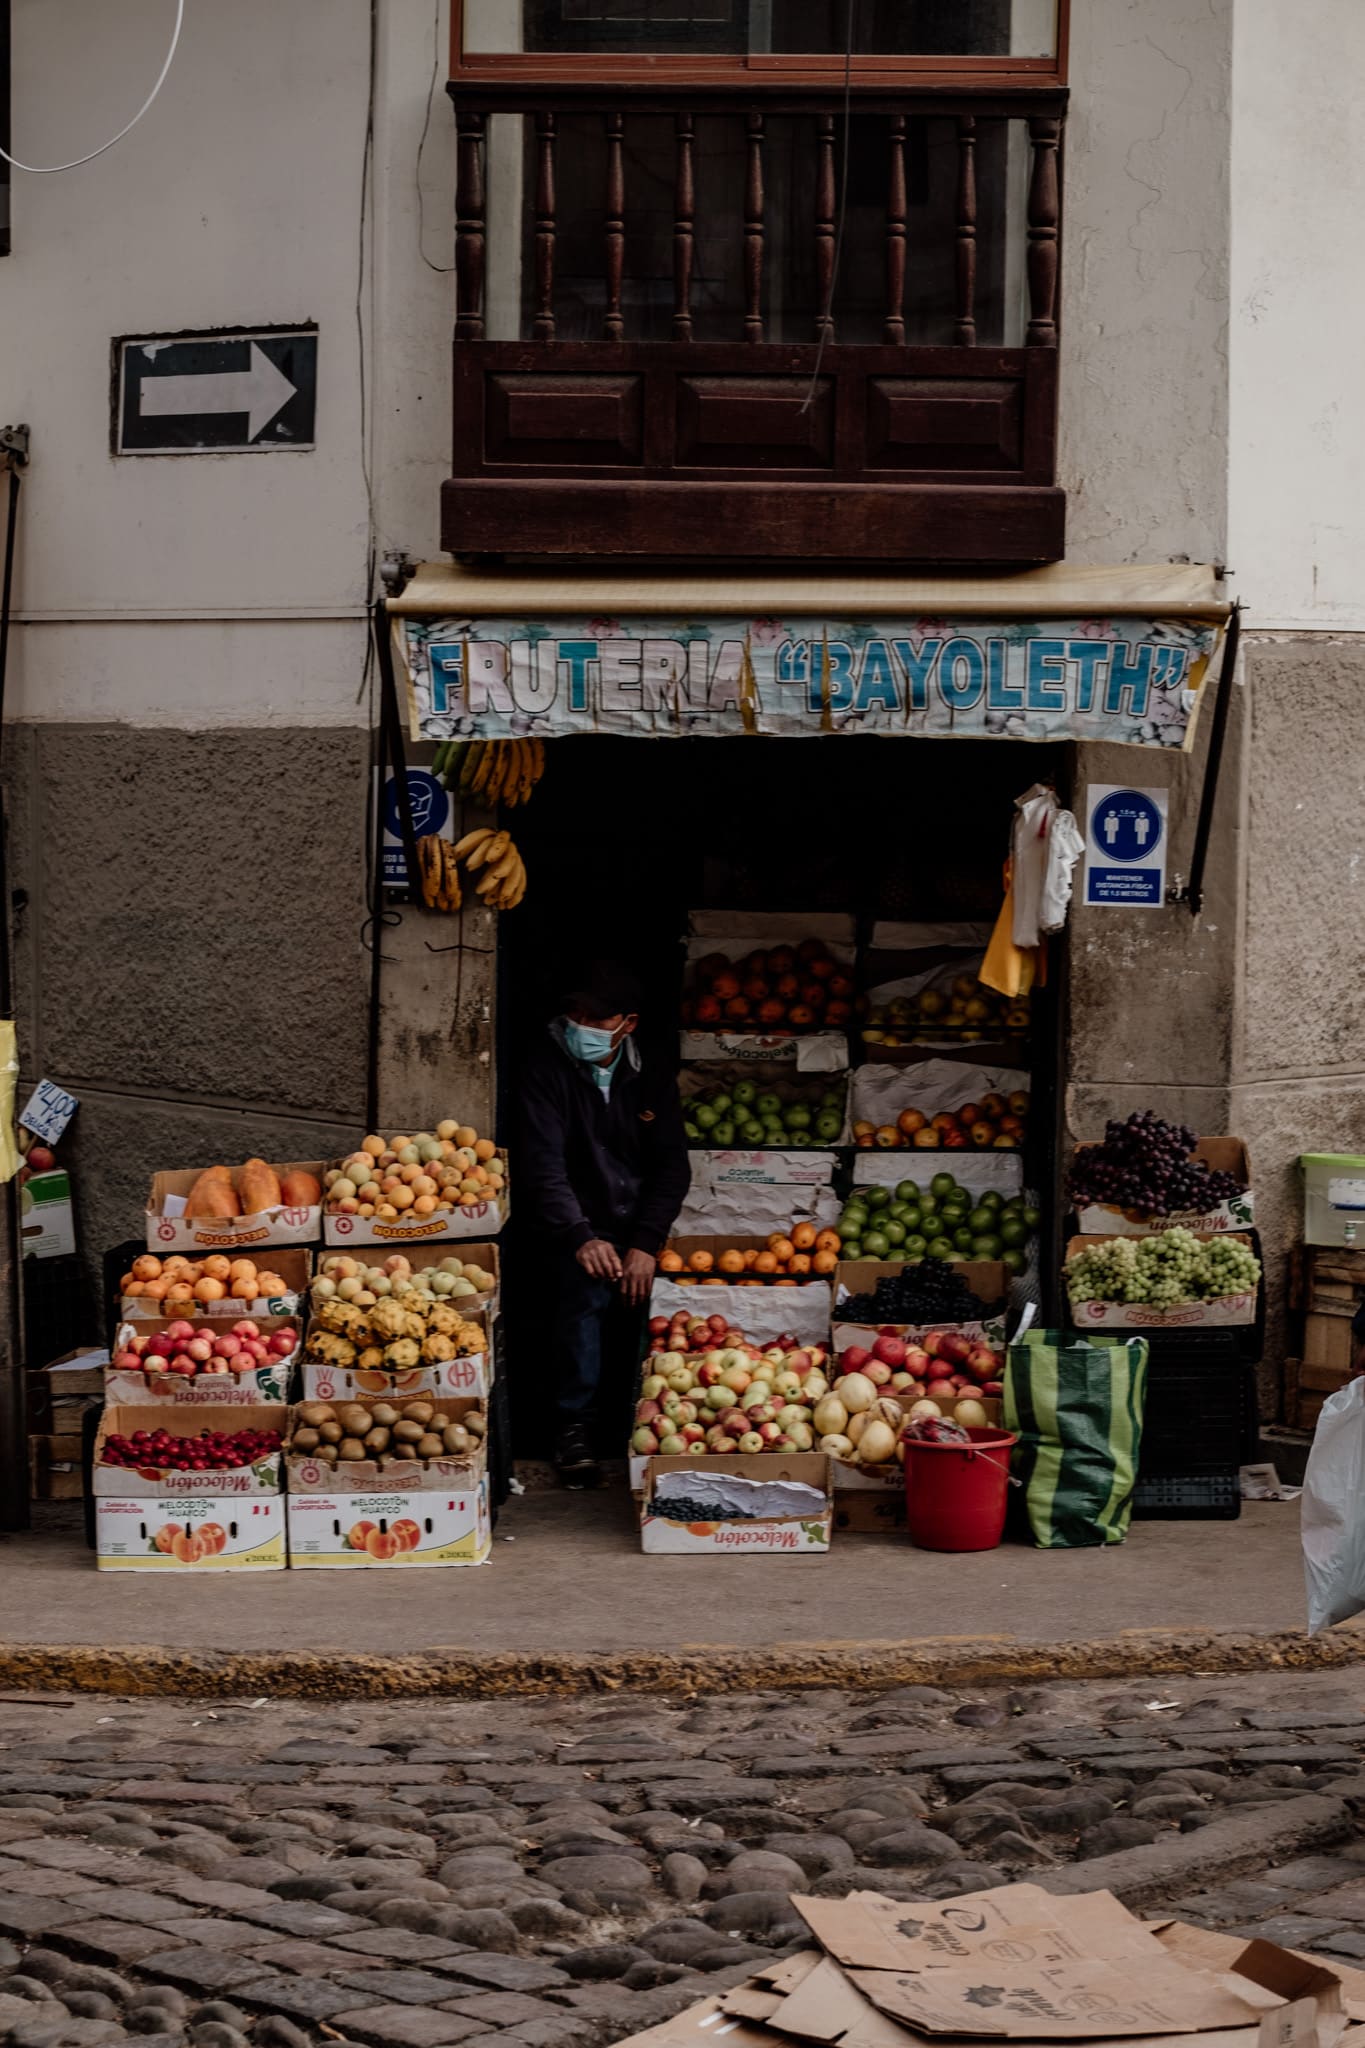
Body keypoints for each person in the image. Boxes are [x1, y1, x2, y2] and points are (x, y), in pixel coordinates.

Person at [519, 961, 689, 1484]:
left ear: (627, 1023)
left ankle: (652, 1428)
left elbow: (672, 1166)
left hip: (634, 1218)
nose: (581, 1024)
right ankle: (574, 1428)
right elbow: (540, 1163)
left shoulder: (651, 1072)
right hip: (575, 1220)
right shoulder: (545, 1067)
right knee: (585, 1299)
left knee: (659, 1315)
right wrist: (580, 1236)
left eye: (595, 1017)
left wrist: (645, 1241)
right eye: (575, 1013)